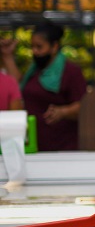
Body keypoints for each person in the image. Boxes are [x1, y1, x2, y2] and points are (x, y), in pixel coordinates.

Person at [0, 22, 87, 151]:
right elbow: (16, 84)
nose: (35, 51)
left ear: (54, 46)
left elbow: (84, 105)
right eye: (32, 47)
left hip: (62, 147)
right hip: (36, 144)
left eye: (39, 47)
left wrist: (63, 111)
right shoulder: (35, 70)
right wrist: (7, 56)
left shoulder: (70, 71)